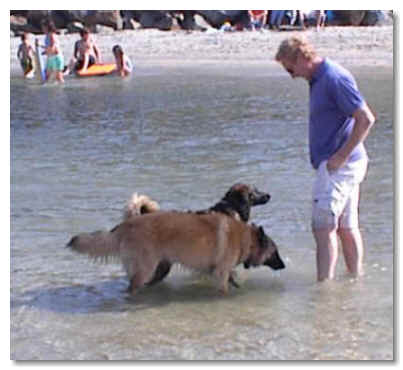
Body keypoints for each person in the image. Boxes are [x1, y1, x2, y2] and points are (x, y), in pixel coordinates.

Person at [274, 35, 375, 281]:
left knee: (322, 227)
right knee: (345, 227)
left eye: (290, 67)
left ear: (301, 58)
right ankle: (355, 279)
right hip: (341, 164)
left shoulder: (333, 78)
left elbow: (366, 118)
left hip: (339, 166)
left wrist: (339, 157)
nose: (291, 74)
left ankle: (323, 291)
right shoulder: (318, 79)